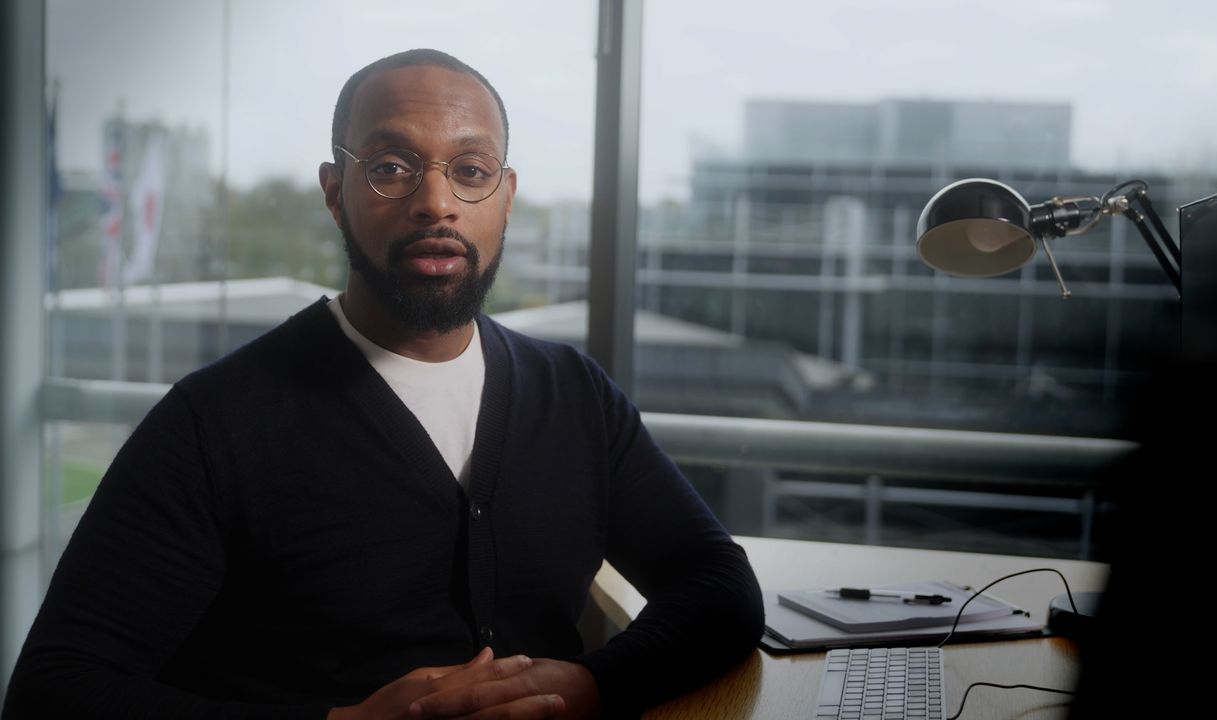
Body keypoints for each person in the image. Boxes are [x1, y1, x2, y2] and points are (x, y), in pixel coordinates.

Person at [3, 49, 763, 719]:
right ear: (335, 192)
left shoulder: (574, 394)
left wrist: (592, 687)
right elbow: (56, 691)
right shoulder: (213, 424)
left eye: (471, 171)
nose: (437, 203)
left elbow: (720, 587)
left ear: (505, 195)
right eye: (392, 167)